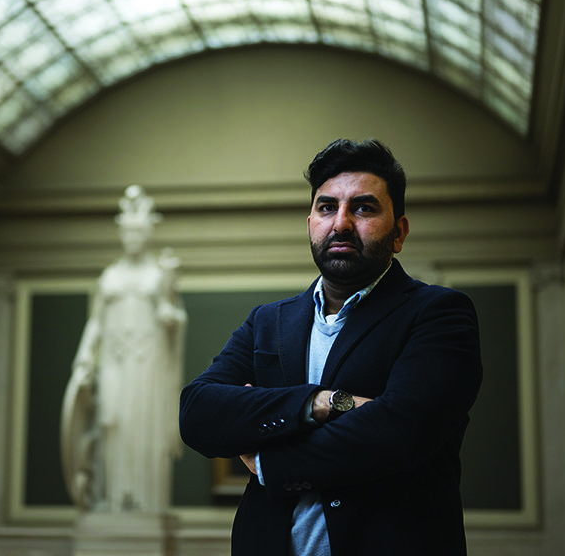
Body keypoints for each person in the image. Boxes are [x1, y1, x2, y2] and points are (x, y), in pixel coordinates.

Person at [179, 138, 483, 555]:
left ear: (400, 232)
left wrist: (268, 459)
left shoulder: (440, 314)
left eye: (363, 207)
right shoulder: (267, 322)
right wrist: (320, 402)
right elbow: (197, 412)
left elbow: (400, 433)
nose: (340, 223)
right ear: (310, 225)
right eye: (327, 207)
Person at [62, 185, 187, 513]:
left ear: (147, 233)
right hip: (114, 362)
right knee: (110, 423)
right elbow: (96, 322)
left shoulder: (158, 275)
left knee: (143, 427)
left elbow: (175, 317)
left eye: (138, 232)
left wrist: (168, 316)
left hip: (148, 363)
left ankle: (144, 500)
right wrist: (85, 357)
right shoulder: (110, 276)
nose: (132, 239)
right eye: (127, 233)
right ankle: (112, 497)